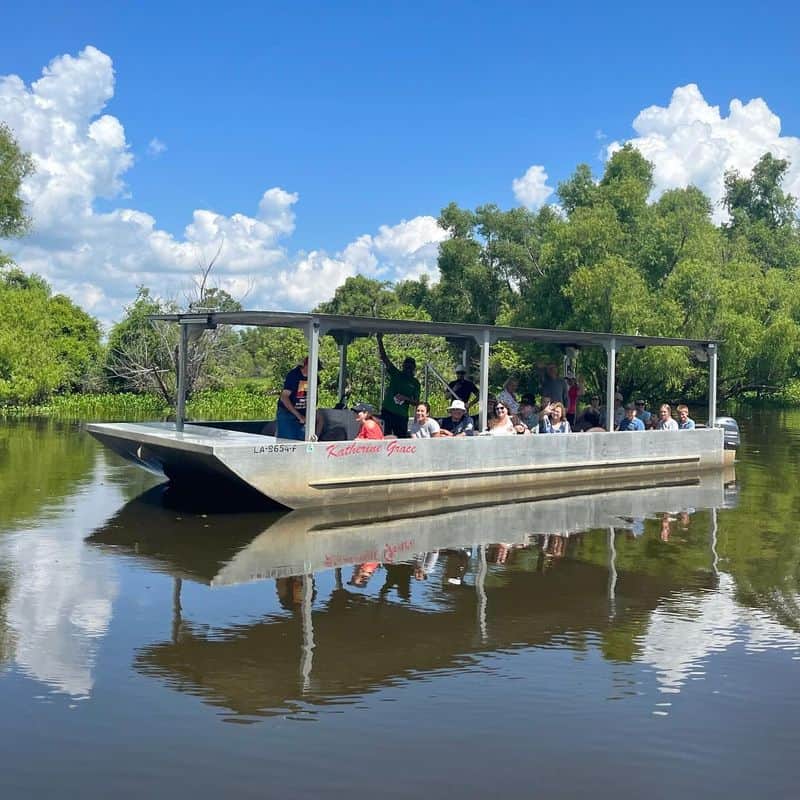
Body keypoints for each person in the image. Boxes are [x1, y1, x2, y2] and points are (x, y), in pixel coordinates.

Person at [377, 333, 420, 438]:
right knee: (385, 436)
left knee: (401, 439)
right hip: (387, 411)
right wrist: (379, 341)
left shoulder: (415, 383)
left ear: (414, 368)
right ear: (403, 366)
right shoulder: (396, 374)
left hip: (401, 415)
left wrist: (405, 398)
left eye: (410, 367)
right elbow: (385, 358)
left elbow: (416, 402)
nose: (408, 369)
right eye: (406, 366)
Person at [277, 356, 318, 440]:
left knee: (303, 440)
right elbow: (284, 397)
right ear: (306, 365)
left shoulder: (315, 377)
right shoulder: (294, 375)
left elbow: (315, 397)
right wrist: (299, 416)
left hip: (303, 415)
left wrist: (310, 415)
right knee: (288, 442)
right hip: (287, 414)